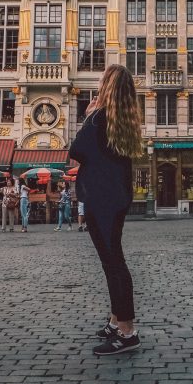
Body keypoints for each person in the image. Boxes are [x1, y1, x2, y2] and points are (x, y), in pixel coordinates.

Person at [69, 64, 142, 356]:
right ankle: (116, 321)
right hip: (117, 198)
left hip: (101, 199)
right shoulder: (123, 121)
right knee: (114, 262)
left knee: (113, 265)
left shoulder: (99, 118)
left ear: (107, 87)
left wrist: (87, 116)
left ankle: (126, 331)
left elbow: (76, 150)